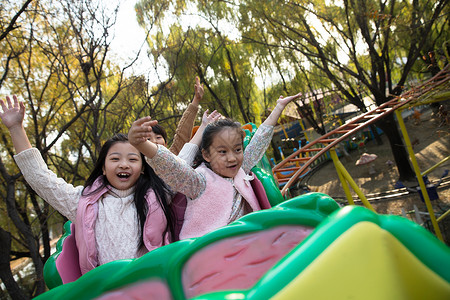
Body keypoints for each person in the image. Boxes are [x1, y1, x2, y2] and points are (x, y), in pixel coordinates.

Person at [0, 95, 174, 275]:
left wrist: (200, 128)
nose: (124, 164)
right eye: (115, 158)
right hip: (104, 289)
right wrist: (16, 128)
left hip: (153, 284)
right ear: (104, 168)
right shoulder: (84, 202)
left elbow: (183, 173)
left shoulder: (160, 193)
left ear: (143, 168)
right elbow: (41, 179)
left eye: (132, 159)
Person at [128, 92, 302, 239]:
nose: (232, 158)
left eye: (237, 149)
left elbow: (259, 140)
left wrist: (279, 107)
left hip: (247, 240)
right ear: (206, 155)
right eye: (222, 152)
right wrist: (141, 145)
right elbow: (173, 167)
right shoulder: (199, 182)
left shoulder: (241, 169)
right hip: (210, 250)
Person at [150, 76, 204, 155]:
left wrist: (196, 100)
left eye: (158, 137)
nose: (154, 141)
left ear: (166, 144)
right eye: (148, 139)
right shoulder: (137, 161)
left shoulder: (172, 158)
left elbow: (182, 134)